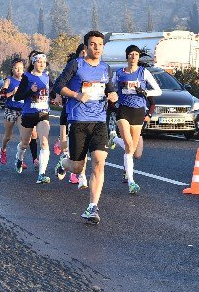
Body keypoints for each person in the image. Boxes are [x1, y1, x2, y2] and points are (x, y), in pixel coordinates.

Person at [54, 31, 118, 225]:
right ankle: (64, 163)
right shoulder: (76, 65)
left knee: (99, 161)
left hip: (99, 121)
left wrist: (113, 96)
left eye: (100, 44)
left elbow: (110, 90)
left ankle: (92, 207)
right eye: (93, 44)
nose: (97, 47)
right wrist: (76, 95)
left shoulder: (106, 68)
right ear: (86, 47)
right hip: (78, 121)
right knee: (77, 167)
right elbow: (58, 86)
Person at [111, 45, 162, 194]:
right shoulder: (119, 73)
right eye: (131, 54)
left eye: (136, 54)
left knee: (132, 149)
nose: (133, 57)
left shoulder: (143, 72)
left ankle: (114, 139)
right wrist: (111, 96)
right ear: (127, 56)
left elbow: (158, 91)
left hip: (139, 111)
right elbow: (111, 88)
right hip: (123, 110)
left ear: (139, 57)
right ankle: (131, 182)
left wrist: (144, 91)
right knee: (128, 144)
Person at [13, 52, 52, 184]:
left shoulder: (47, 77)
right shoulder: (27, 77)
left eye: (44, 62)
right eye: (39, 61)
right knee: (24, 143)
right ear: (34, 63)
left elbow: (52, 92)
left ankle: (41, 174)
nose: (42, 64)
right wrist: (30, 90)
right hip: (28, 113)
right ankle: (19, 158)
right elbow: (17, 97)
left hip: (43, 113)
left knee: (44, 142)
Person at [54, 43, 87, 187]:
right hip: (68, 111)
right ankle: (64, 162)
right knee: (65, 146)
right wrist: (58, 96)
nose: (85, 56)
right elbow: (59, 84)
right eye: (83, 53)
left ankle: (81, 177)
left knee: (82, 148)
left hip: (85, 115)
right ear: (78, 54)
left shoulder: (95, 71)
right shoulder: (72, 67)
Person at [0, 58, 25, 165]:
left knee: (24, 137)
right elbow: (1, 96)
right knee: (8, 136)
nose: (19, 70)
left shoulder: (26, 81)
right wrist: (12, 93)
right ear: (12, 69)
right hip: (10, 110)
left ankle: (20, 158)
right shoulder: (9, 80)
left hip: (22, 111)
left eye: (21, 68)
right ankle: (3, 150)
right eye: (16, 68)